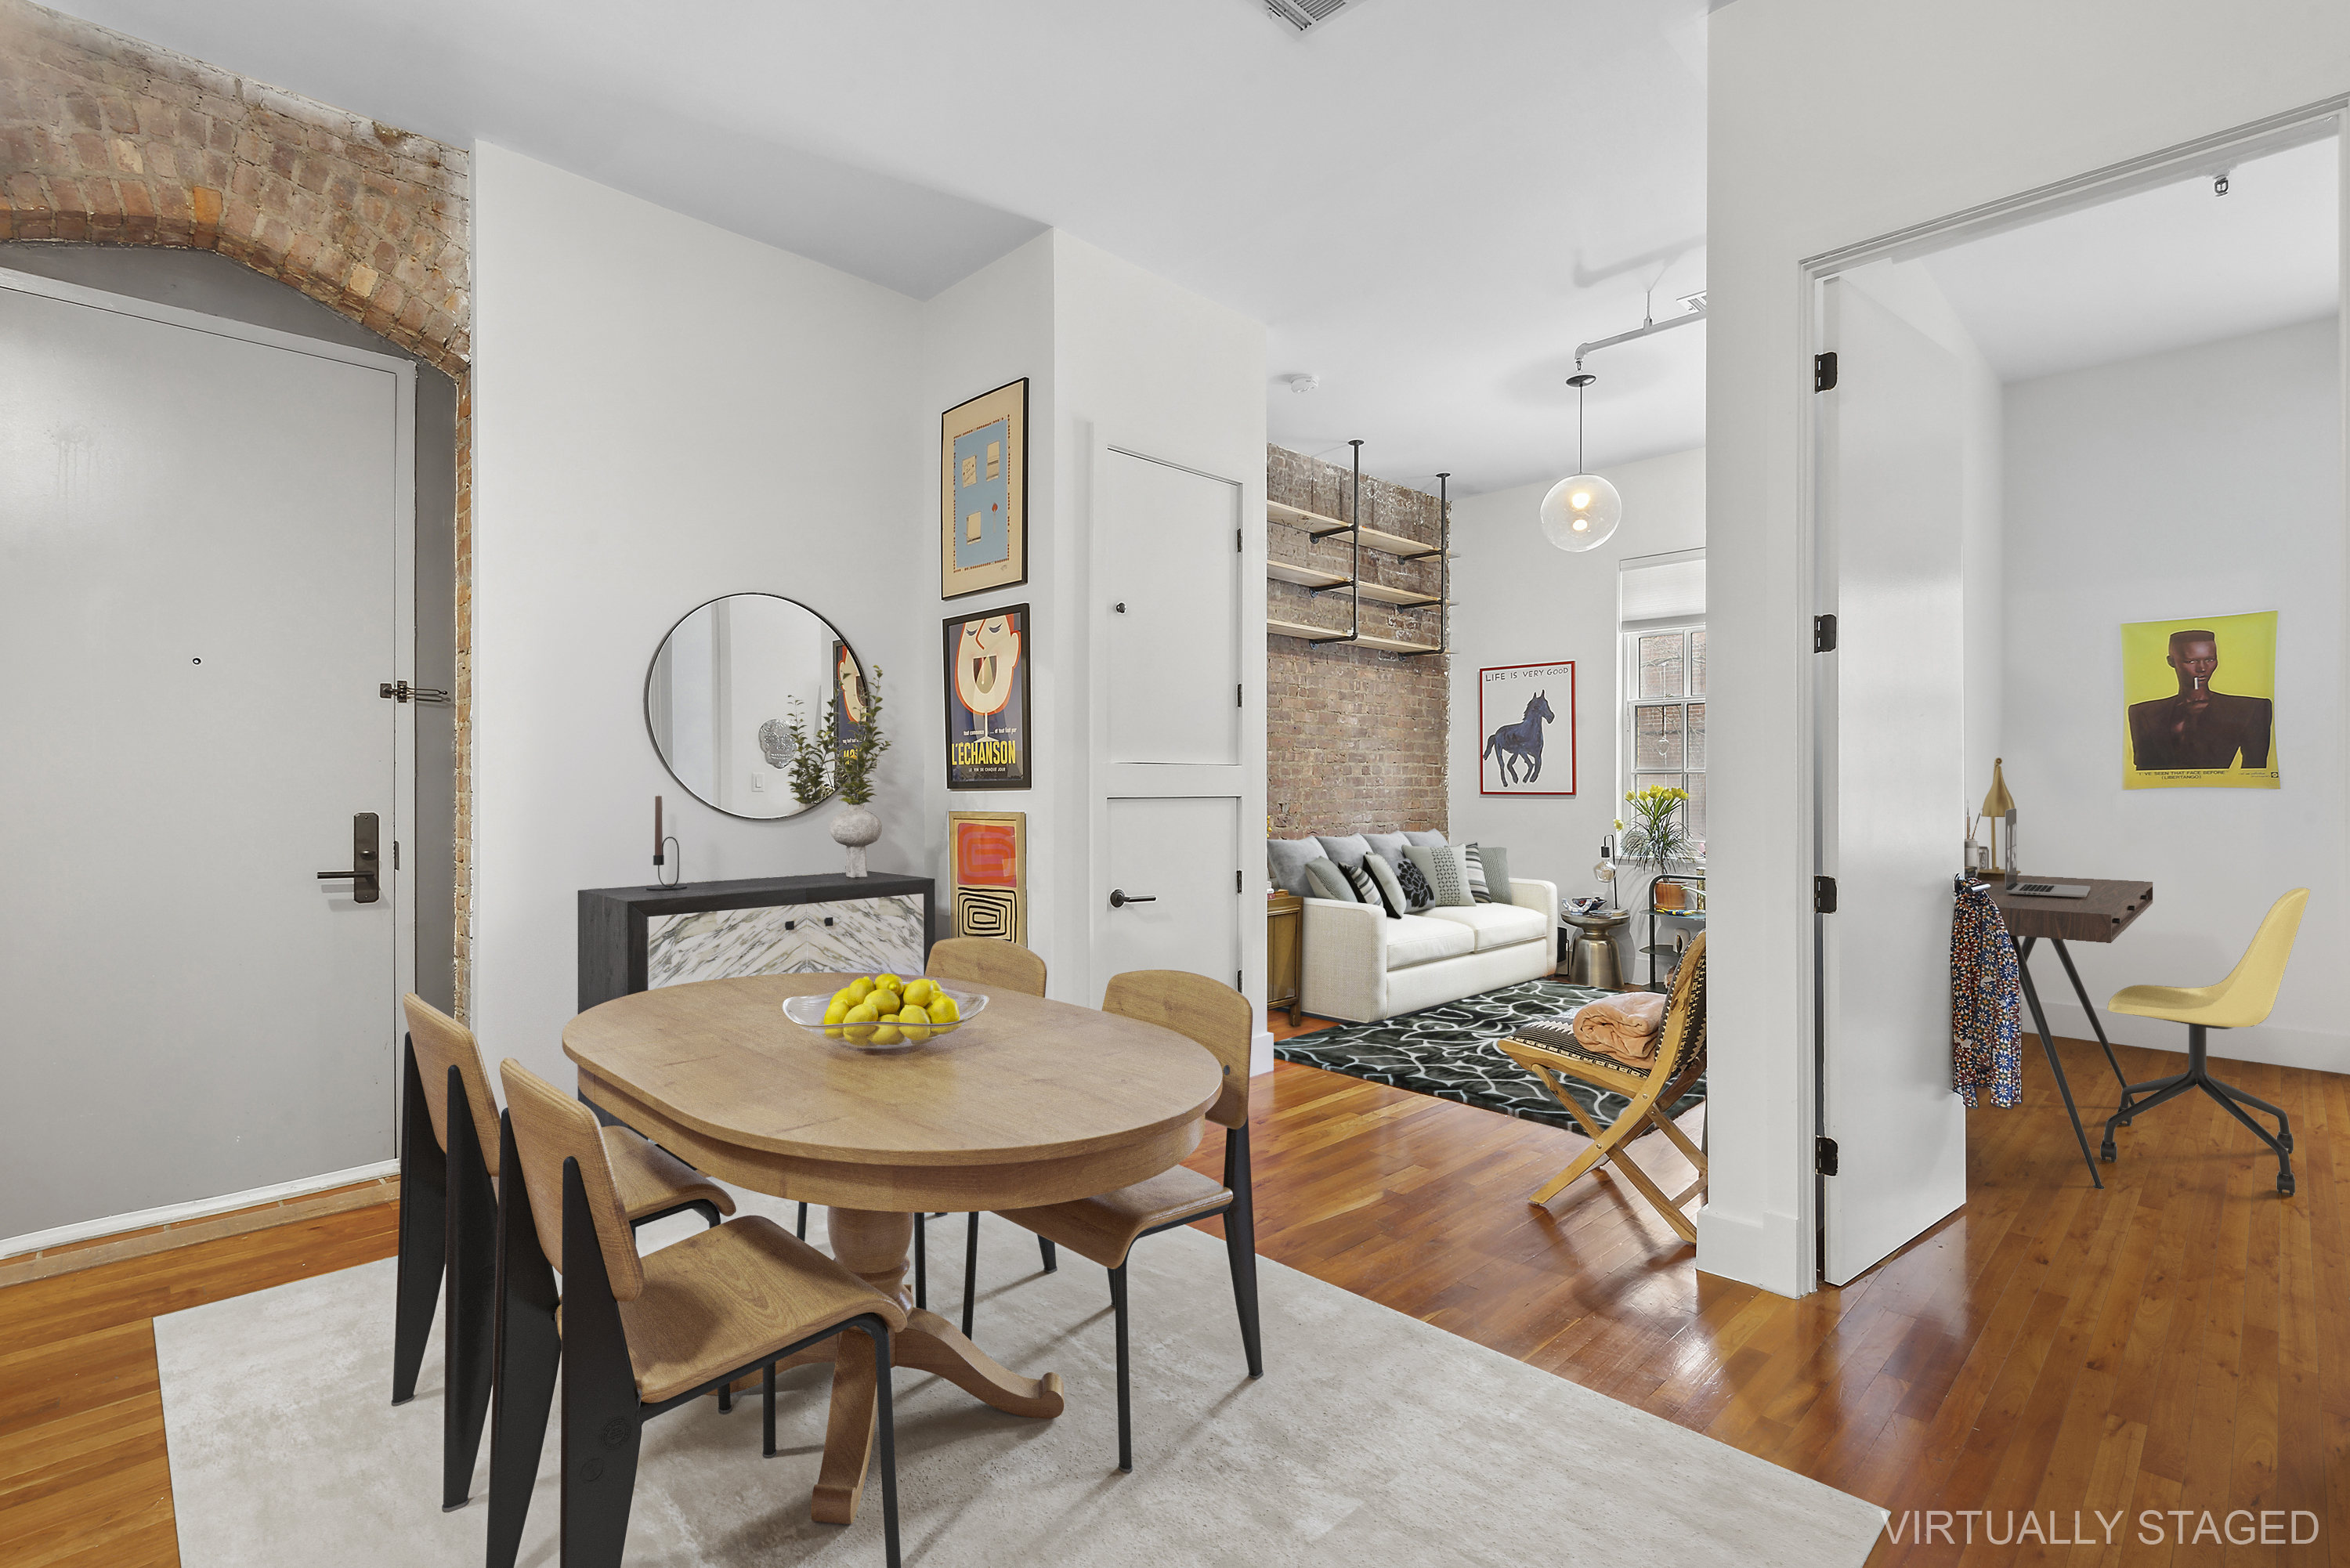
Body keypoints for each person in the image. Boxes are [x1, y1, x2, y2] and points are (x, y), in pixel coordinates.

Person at [2128, 628, 2272, 770]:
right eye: (2191, 661)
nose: (2202, 668)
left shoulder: (2251, 709)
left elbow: (2256, 771)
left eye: (2210, 660)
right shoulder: (2142, 713)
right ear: (2171, 661)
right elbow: (2144, 771)